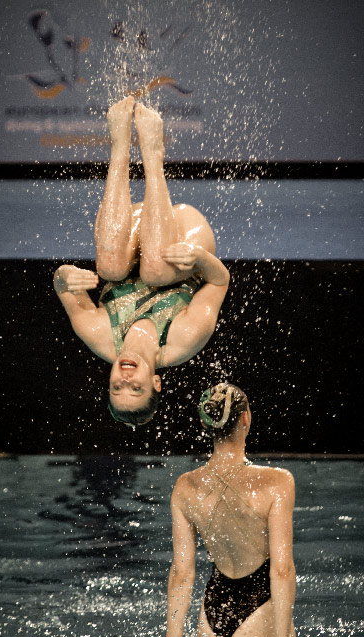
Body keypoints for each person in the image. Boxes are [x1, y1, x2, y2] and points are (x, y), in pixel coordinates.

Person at [53, 96, 229, 425]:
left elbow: (61, 284)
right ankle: (152, 153)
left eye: (116, 388)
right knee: (158, 270)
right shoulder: (184, 339)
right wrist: (199, 258)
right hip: (185, 238)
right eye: (136, 390)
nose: (126, 380)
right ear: (155, 383)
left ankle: (119, 144)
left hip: (137, 230)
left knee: (110, 268)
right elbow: (220, 281)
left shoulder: (97, 333)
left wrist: (66, 275)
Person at [157, 383, 300, 637]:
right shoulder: (277, 482)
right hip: (260, 609)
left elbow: (182, 572)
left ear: (204, 423)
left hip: (213, 610)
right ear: (246, 418)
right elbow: (282, 569)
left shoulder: (185, 486)